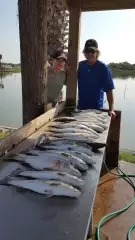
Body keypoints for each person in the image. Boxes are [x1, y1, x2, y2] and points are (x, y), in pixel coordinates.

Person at [77, 39, 116, 119]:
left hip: (96, 110)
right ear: (84, 53)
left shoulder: (103, 68)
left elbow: (109, 90)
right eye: (87, 51)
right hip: (80, 109)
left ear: (97, 53)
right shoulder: (80, 66)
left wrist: (111, 109)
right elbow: (68, 81)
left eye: (93, 51)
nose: (90, 54)